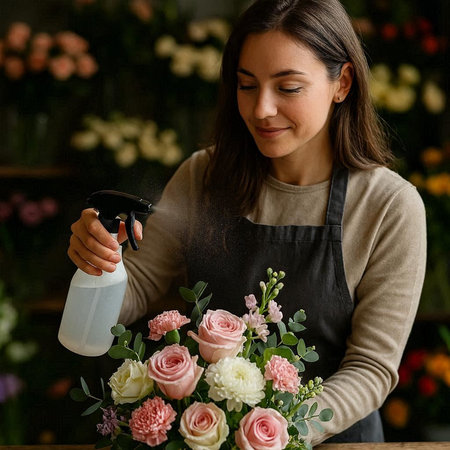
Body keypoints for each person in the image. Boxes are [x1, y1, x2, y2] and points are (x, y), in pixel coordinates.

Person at [67, 0, 426, 445]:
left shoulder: (389, 206)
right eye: (246, 85)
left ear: (342, 83)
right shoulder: (201, 177)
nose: (261, 110)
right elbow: (137, 289)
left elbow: (371, 368)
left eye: (288, 87)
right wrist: (102, 261)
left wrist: (275, 432)